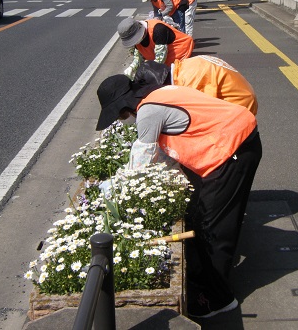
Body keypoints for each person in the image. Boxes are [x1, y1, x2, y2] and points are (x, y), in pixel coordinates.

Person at [95, 74, 262, 319]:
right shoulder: (160, 94)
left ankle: (219, 300)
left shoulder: (149, 112)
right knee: (201, 214)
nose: (124, 121)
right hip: (237, 140)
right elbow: (164, 158)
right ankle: (205, 283)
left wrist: (117, 193)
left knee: (212, 228)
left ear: (123, 107)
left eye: (120, 116)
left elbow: (141, 167)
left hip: (232, 148)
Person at [134, 55, 259, 115]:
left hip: (240, 103)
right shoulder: (183, 68)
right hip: (240, 92)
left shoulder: (190, 81)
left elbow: (202, 113)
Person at [117, 17, 194, 79]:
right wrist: (132, 67)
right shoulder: (137, 39)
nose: (135, 42)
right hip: (165, 57)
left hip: (180, 51)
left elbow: (160, 60)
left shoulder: (158, 30)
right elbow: (138, 57)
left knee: (177, 79)